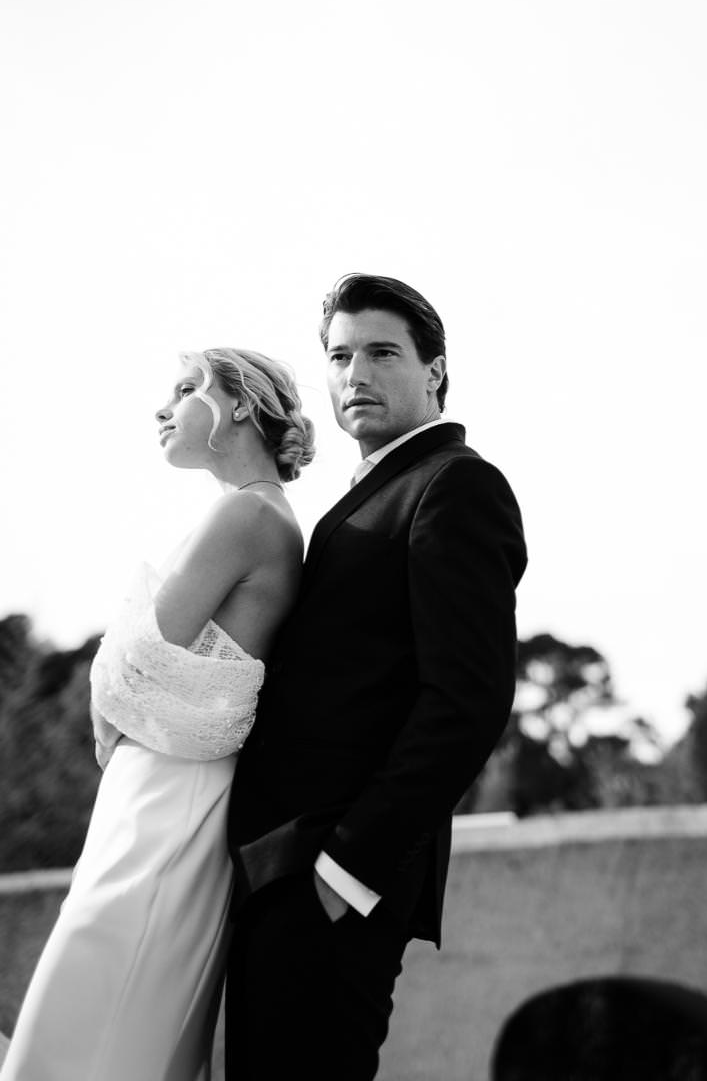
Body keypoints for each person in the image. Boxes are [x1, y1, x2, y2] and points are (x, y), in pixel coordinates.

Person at [226, 274, 528, 1080]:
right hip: (280, 870)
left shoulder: (456, 486)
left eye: (382, 352)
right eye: (340, 355)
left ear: (434, 371)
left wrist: (345, 871)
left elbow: (466, 703)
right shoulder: (366, 496)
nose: (355, 374)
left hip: (334, 881)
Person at [0, 348, 313, 1081]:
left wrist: (115, 687)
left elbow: (132, 671)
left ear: (239, 404)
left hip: (169, 798)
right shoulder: (257, 514)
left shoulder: (247, 512)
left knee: (97, 999)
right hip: (163, 787)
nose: (162, 408)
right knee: (115, 1008)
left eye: (185, 389)